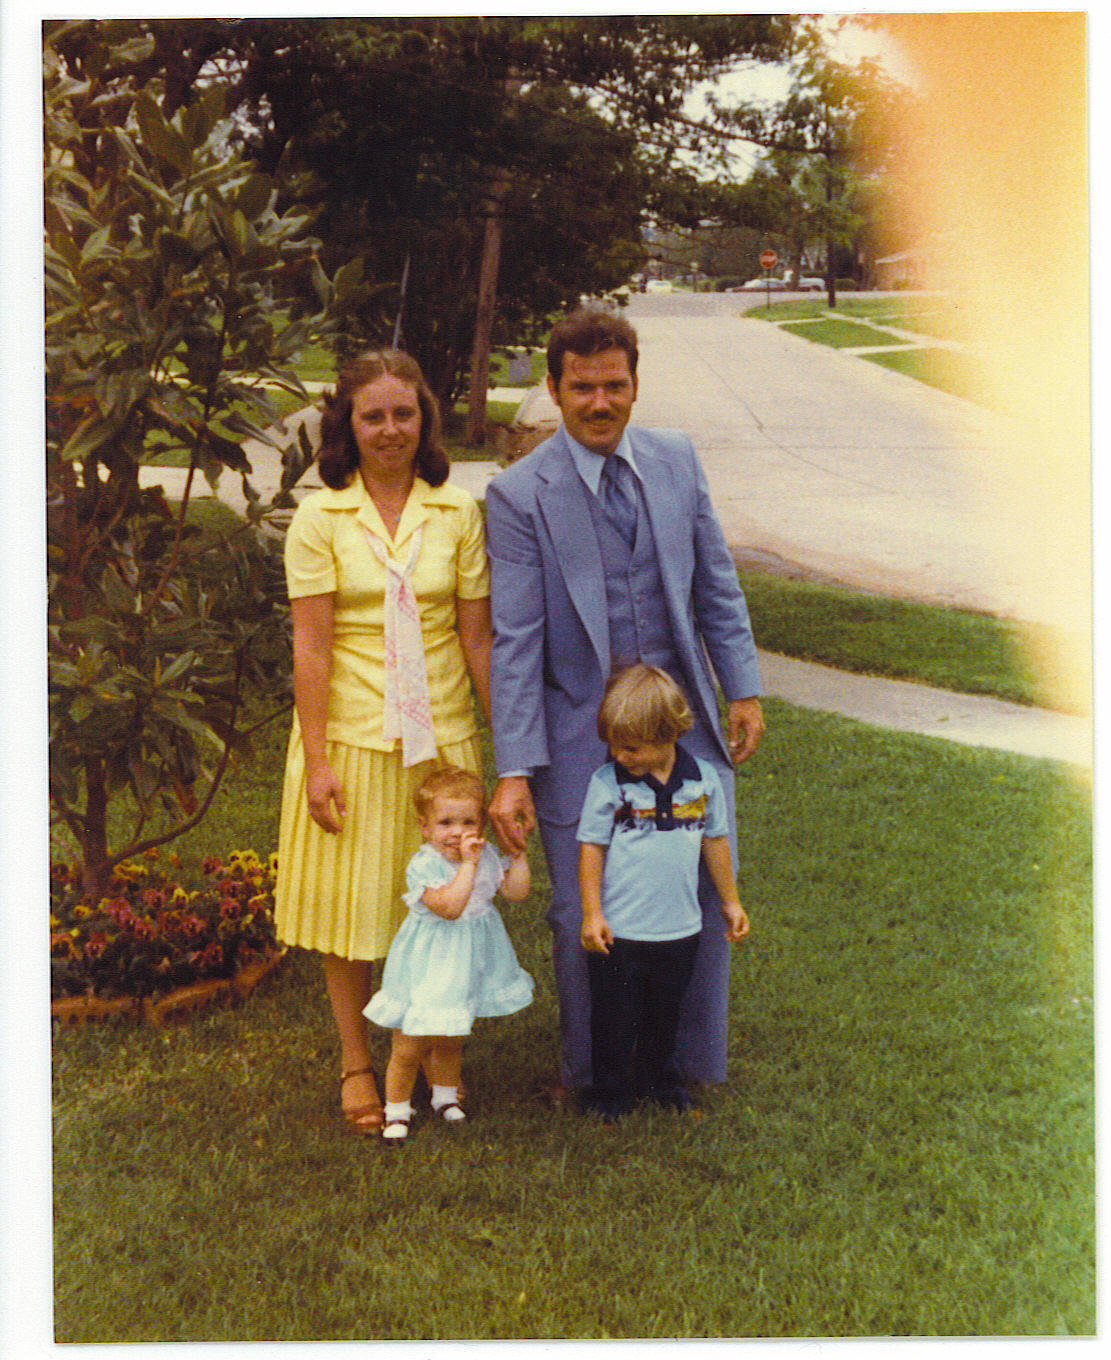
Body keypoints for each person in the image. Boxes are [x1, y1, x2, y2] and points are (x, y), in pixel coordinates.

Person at [485, 307, 763, 1098]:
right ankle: (590, 1073)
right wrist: (515, 770)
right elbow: (515, 642)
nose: (599, 403)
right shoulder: (517, 495)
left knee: (701, 882)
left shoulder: (676, 460)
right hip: (579, 725)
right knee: (584, 899)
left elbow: (716, 584)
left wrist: (741, 689)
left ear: (635, 385)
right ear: (553, 389)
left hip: (681, 722)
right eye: (582, 388)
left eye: (614, 385)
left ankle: (687, 1064)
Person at [273, 349, 493, 1136]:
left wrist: (510, 762)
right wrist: (318, 760)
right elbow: (311, 649)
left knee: (441, 906)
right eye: (373, 416)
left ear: (424, 420)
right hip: (353, 737)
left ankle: (431, 1051)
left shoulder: (456, 512)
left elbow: (477, 639)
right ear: (348, 425)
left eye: (404, 413)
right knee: (353, 908)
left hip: (441, 743)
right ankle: (356, 1062)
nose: (391, 429)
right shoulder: (320, 518)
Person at [577, 665, 749, 1122]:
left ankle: (661, 1083)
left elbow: (716, 841)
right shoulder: (608, 783)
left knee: (665, 1013)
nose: (620, 755)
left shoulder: (703, 780)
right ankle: (608, 1093)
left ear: (668, 734)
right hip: (620, 931)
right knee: (613, 1018)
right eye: (613, 745)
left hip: (679, 930)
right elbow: (591, 848)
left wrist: (730, 901)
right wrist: (592, 913)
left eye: (630, 747)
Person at [364, 766, 533, 1143]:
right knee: (410, 1042)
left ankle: (444, 1096)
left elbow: (516, 893)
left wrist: (517, 854)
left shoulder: (485, 856)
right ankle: (396, 1109)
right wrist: (470, 865)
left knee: (452, 1035)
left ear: (481, 825)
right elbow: (450, 907)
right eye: (446, 823)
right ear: (425, 828)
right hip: (428, 965)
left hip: (467, 962)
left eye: (468, 822)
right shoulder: (425, 864)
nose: (457, 832)